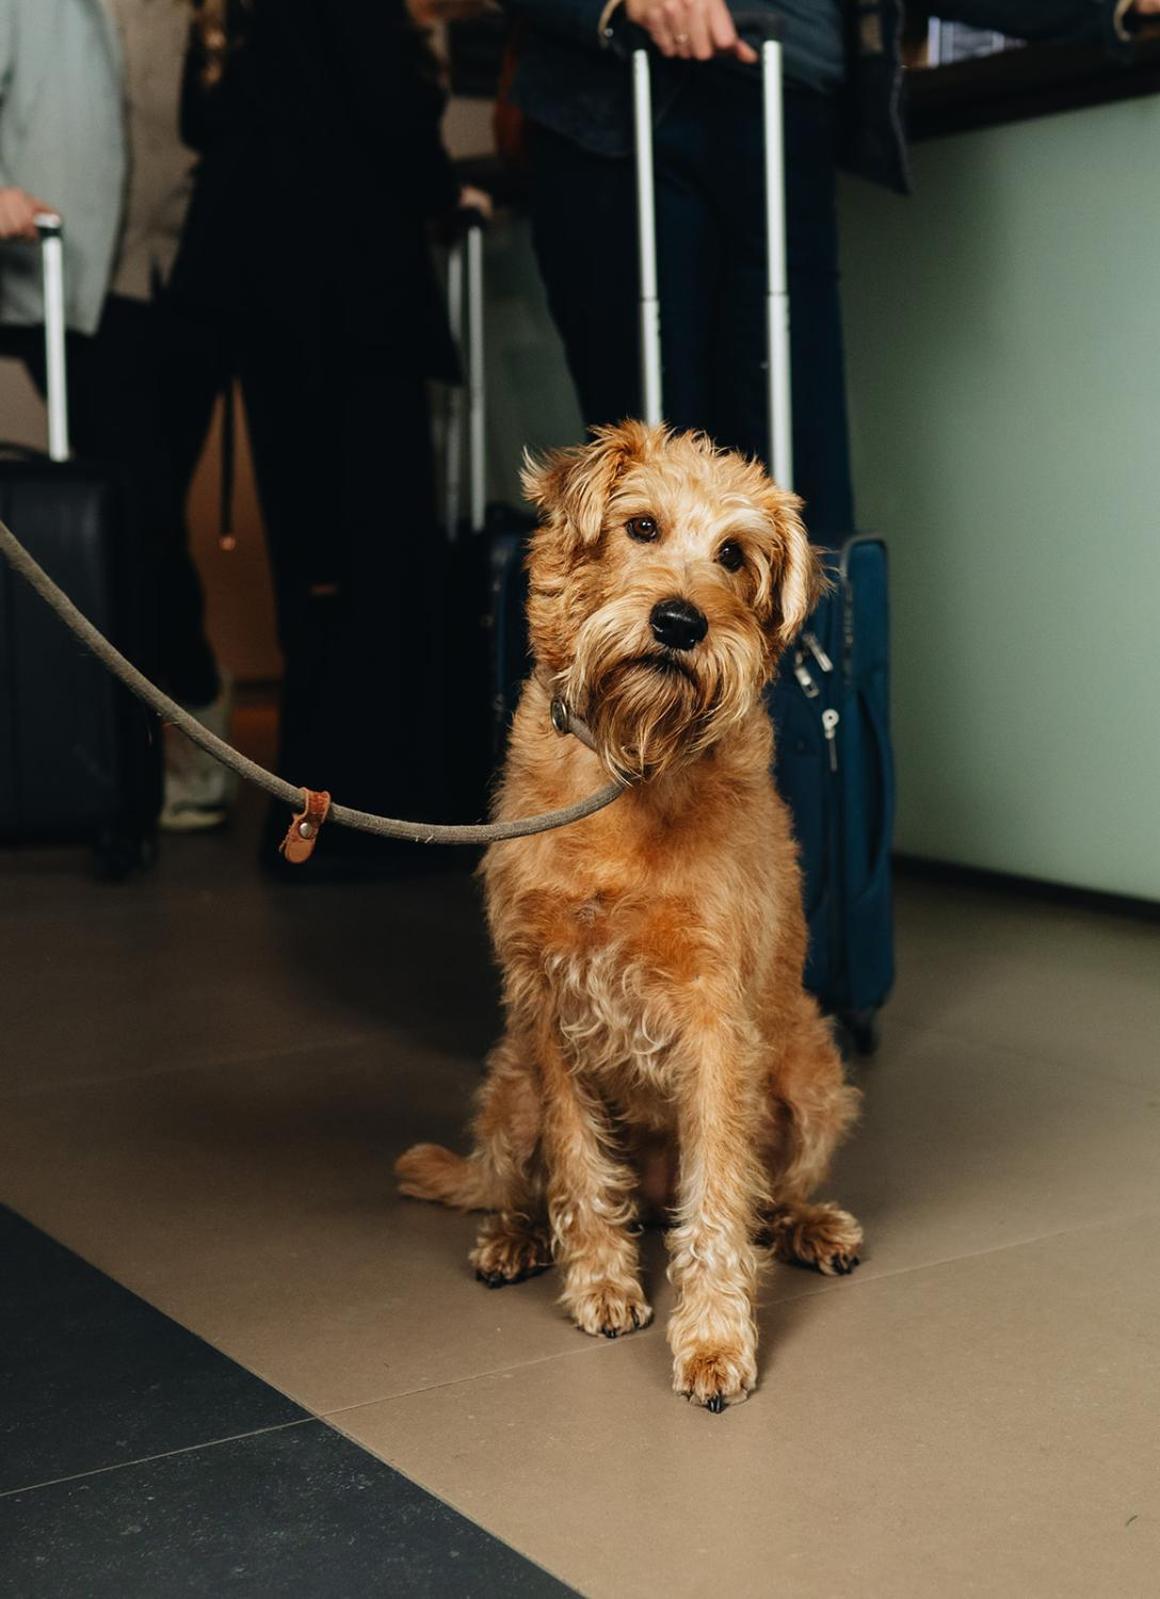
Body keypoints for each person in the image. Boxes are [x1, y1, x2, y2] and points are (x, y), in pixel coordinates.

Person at [501, 0, 1159, 544]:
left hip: (787, 103)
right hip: (627, 105)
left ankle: (806, 698)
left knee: (798, 504)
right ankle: (648, 703)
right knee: (648, 494)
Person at [168, 0, 488, 878]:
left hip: (266, 307)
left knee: (311, 572)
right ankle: (385, 816)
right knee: (385, 562)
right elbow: (388, 111)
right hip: (352, 301)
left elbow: (201, 122)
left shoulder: (235, 21)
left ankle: (312, 818)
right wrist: (441, 190)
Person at [0, 0, 233, 832]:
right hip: (85, 285)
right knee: (138, 519)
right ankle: (174, 734)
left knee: (155, 515)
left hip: (197, 278)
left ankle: (174, 742)